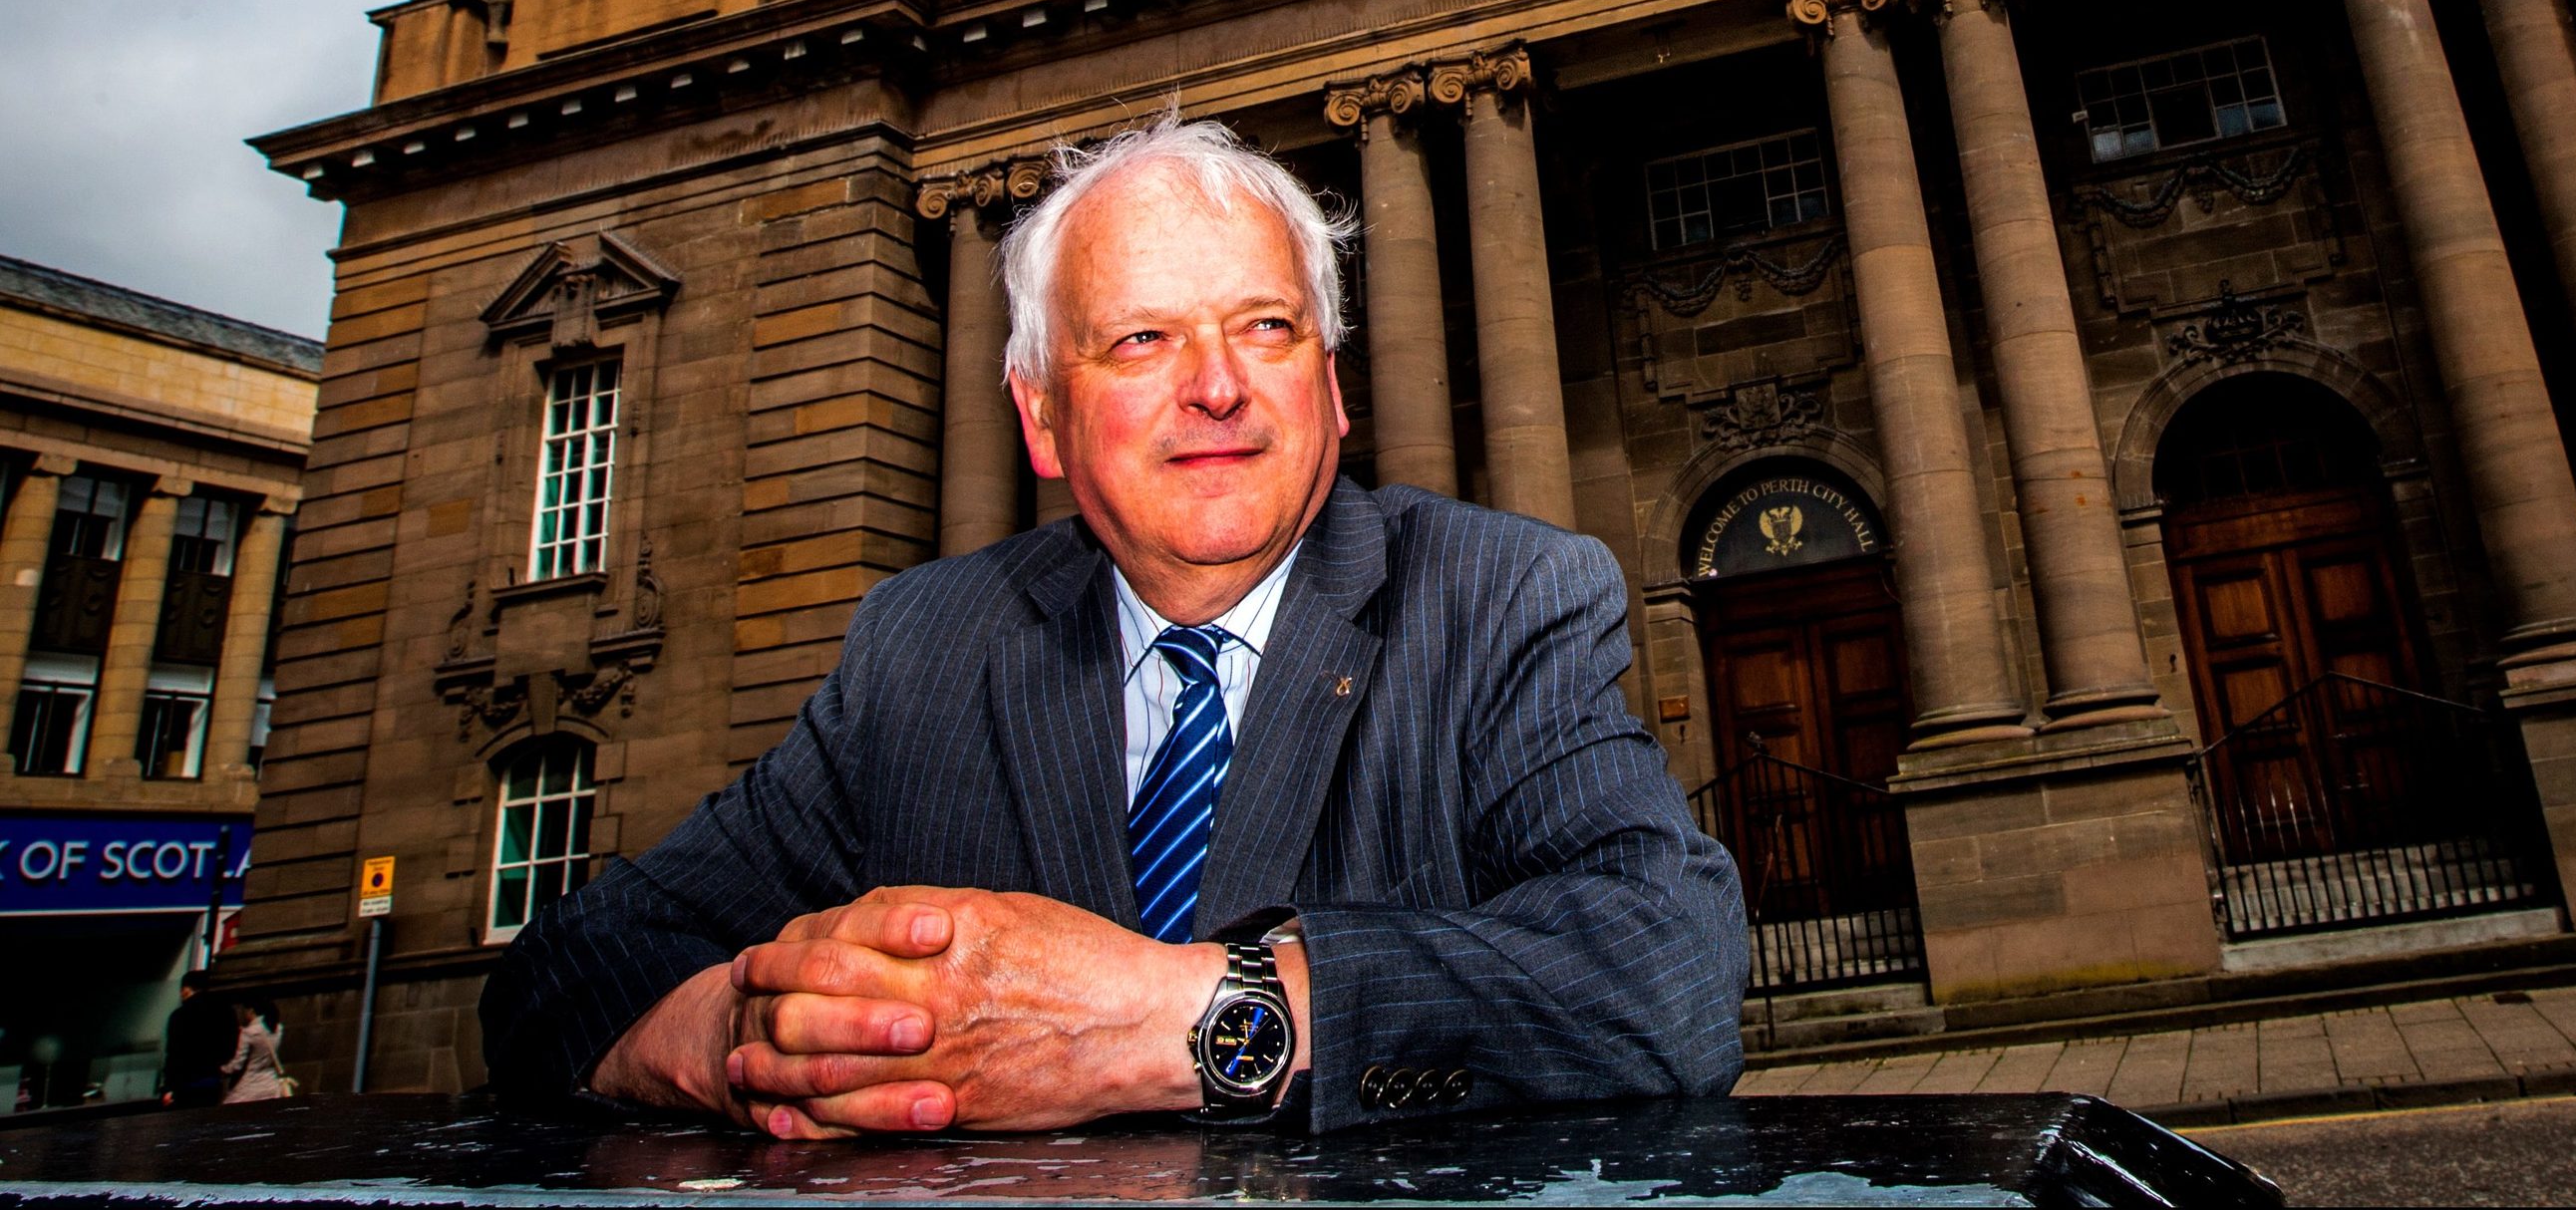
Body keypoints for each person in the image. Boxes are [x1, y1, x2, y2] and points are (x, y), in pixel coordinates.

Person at [483, 116, 1746, 1135]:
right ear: (1042, 418)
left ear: (1331, 387)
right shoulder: (923, 649)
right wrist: (745, 1038)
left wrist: (1172, 1016)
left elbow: (1667, 968)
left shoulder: (1500, 596)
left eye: (1266, 327)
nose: (1215, 384)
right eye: (1141, 339)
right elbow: (564, 973)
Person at [158, 971, 238, 1108]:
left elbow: (174, 1053)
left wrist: (168, 1087)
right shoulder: (225, 1011)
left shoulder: (179, 1016)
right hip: (212, 1079)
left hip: (185, 1083)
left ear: (187, 989)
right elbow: (230, 1047)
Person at [220, 1002, 287, 1103]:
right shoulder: (278, 1028)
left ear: (251, 1011)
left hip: (250, 1086)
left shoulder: (249, 1032)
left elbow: (238, 1064)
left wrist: (224, 1069)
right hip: (270, 1083)